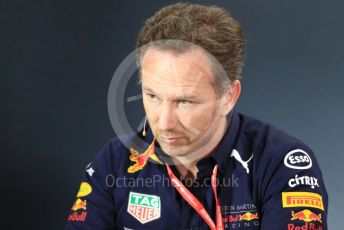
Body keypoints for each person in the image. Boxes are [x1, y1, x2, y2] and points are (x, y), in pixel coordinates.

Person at [65, 3, 328, 229]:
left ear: (228, 96)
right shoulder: (113, 162)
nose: (164, 122)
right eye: (153, 96)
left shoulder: (283, 164)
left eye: (184, 101)